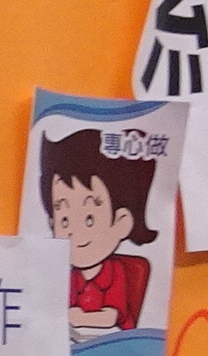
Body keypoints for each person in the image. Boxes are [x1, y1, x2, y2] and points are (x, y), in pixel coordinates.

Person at [38, 127, 160, 341]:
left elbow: (111, 317)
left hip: (112, 343)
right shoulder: (73, 275)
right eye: (64, 220)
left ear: (121, 222)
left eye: (89, 219)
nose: (74, 232)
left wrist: (79, 318)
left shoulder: (115, 272)